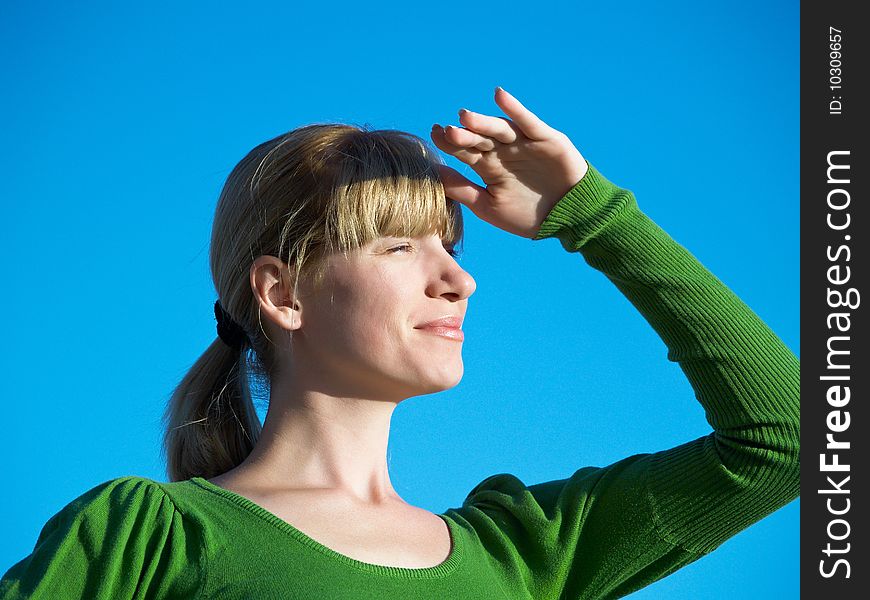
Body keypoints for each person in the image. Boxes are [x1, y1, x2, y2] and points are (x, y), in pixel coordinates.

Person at [0, 87, 799, 599]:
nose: (458, 281)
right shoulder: (146, 539)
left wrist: (591, 215)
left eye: (451, 246)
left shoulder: (523, 554)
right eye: (396, 247)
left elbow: (797, 435)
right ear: (283, 294)